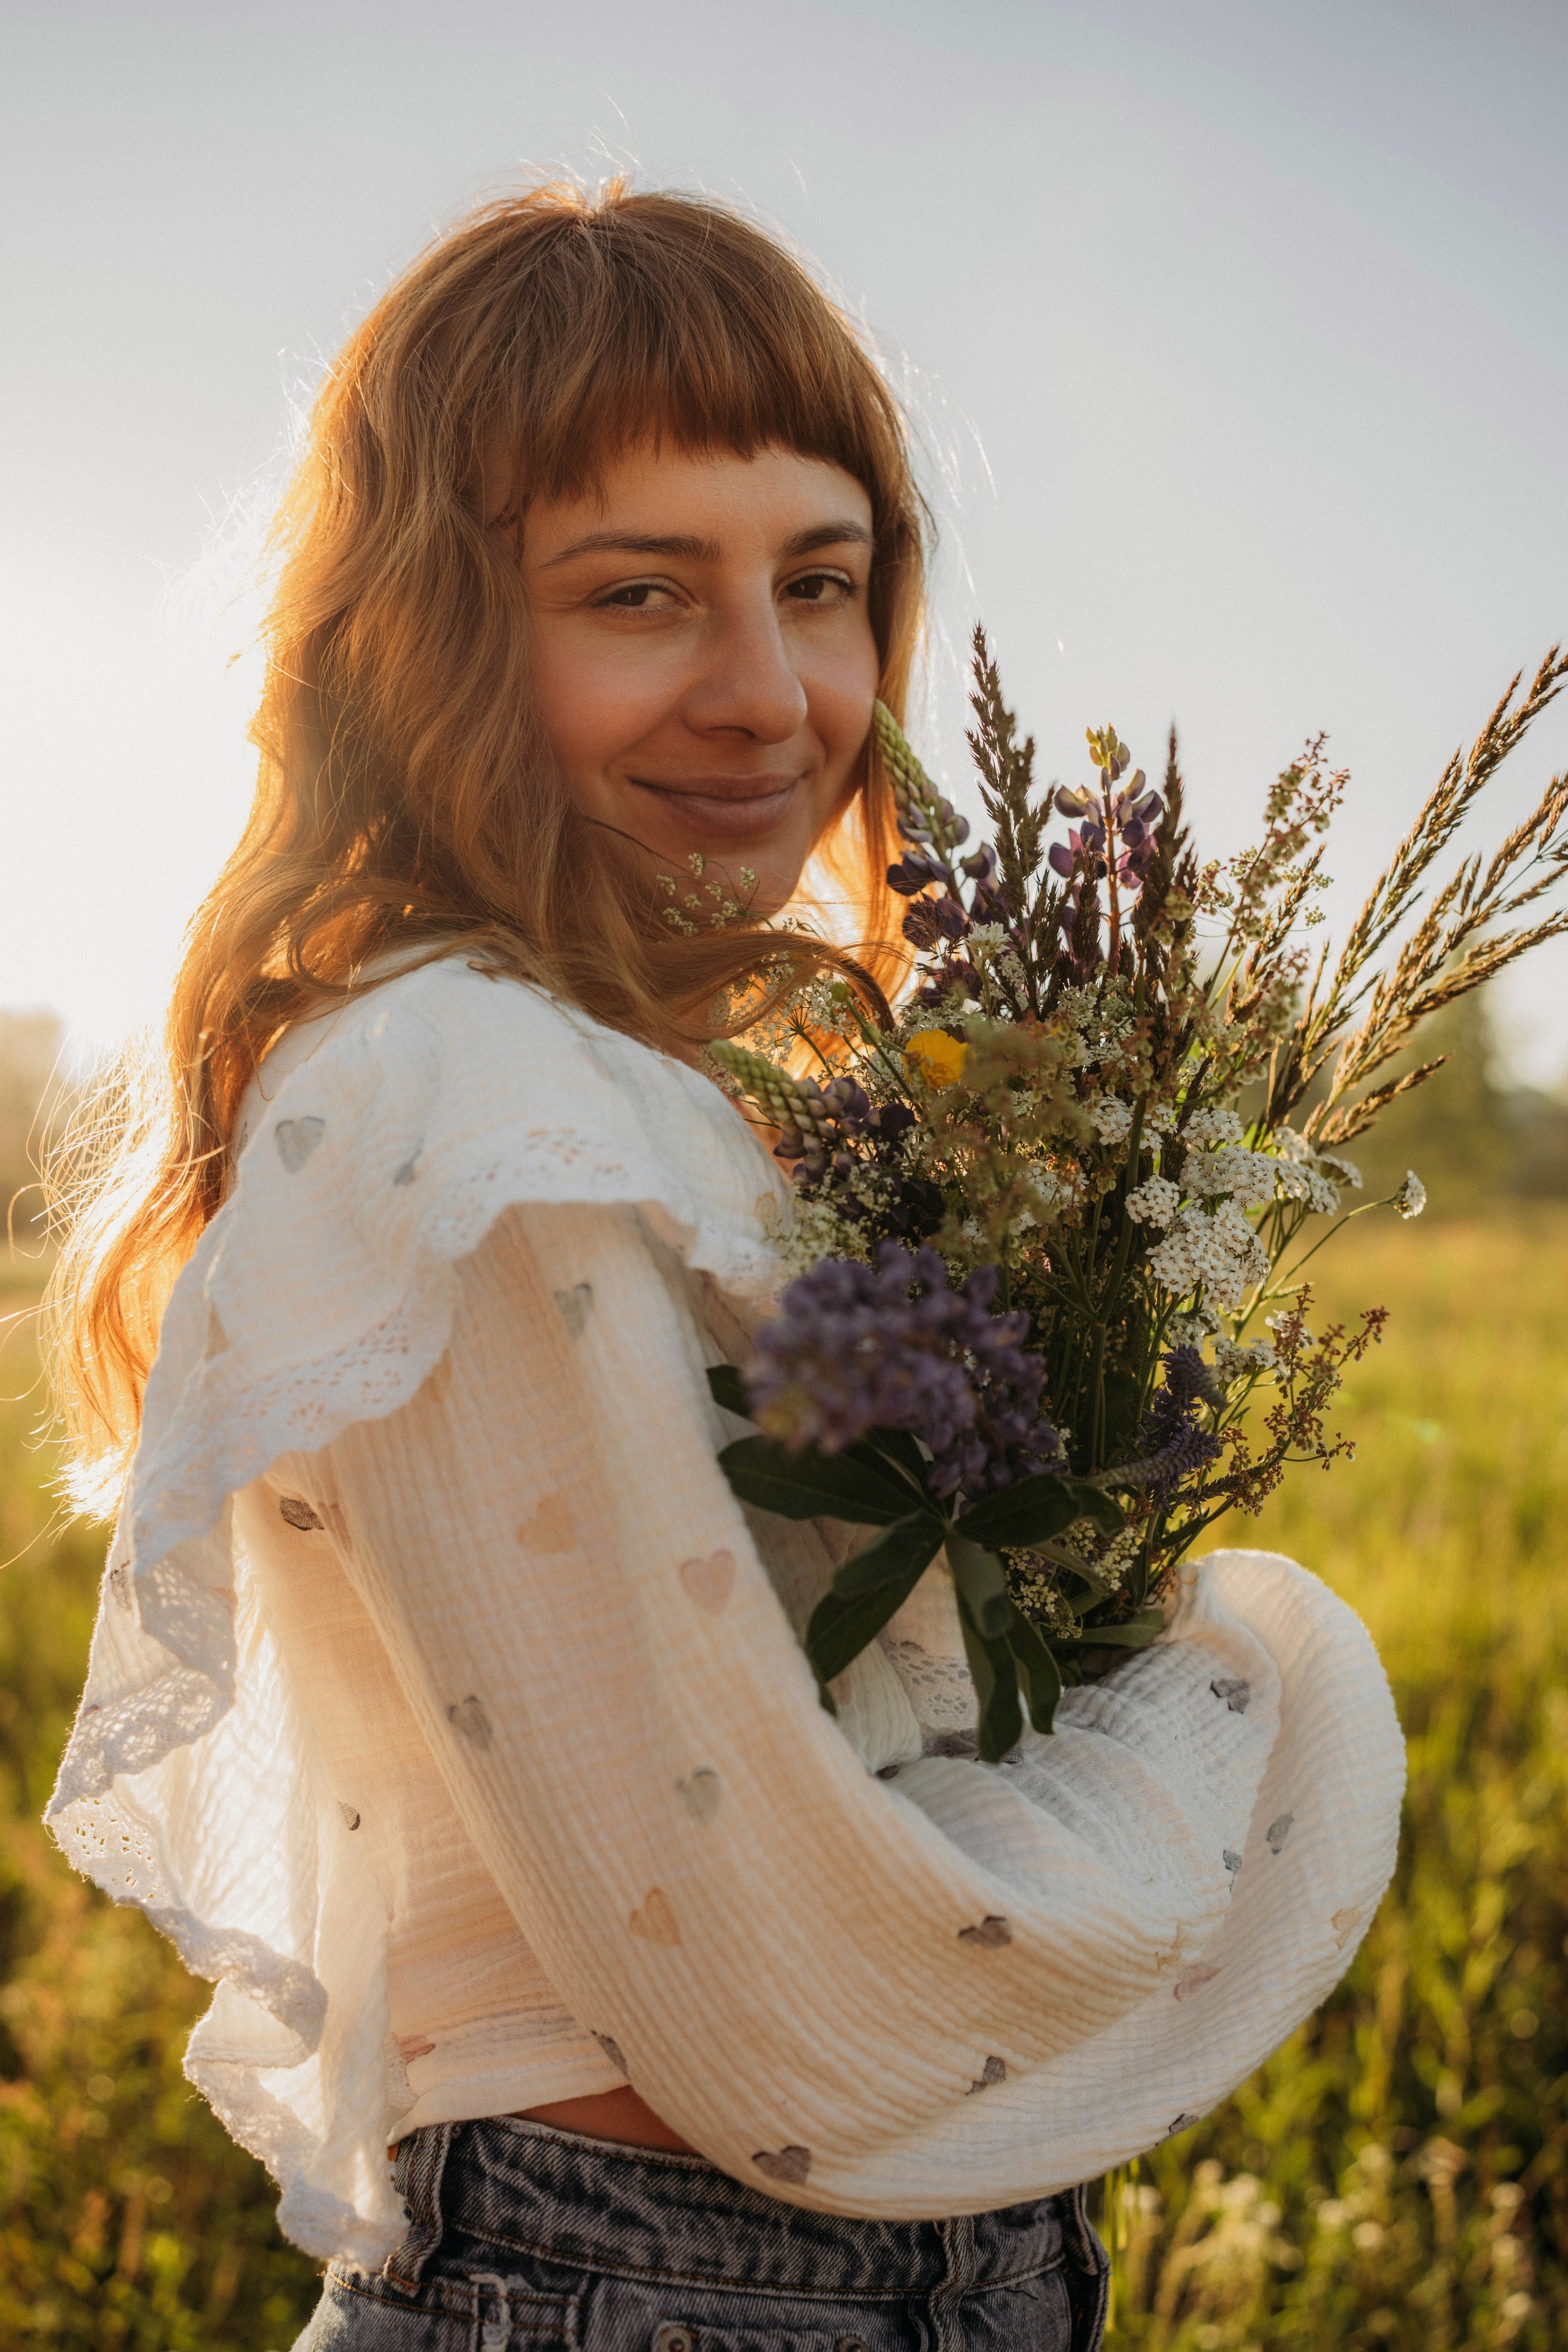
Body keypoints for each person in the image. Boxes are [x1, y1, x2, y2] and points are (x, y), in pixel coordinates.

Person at [46, 183, 1403, 2351]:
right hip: (653, 2289)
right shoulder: (470, 1102)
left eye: (821, 584)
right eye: (640, 593)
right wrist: (1262, 1691)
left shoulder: (657, 1095)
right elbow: (796, 1977)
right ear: (431, 635)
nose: (772, 695)